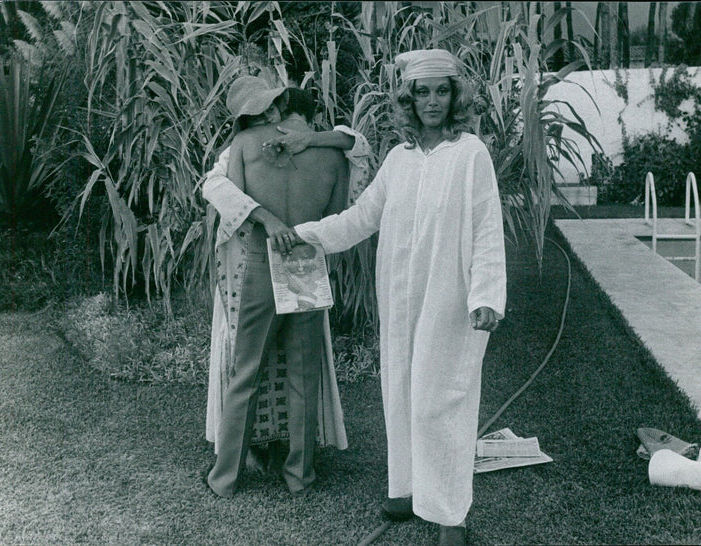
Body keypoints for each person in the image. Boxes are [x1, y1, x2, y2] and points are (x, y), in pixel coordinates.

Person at [270, 49, 506, 545]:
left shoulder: (470, 155)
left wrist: (486, 292)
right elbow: (360, 218)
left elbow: (487, 227)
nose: (433, 101)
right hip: (398, 296)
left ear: (456, 95)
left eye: (442, 90)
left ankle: (449, 516)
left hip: (451, 297)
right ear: (409, 98)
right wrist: (305, 233)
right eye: (423, 92)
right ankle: (408, 487)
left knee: (439, 400)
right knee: (399, 391)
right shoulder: (399, 161)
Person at [201, 75, 371, 497]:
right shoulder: (333, 157)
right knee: (302, 375)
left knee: (246, 373)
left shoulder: (242, 146)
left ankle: (225, 478)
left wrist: (268, 218)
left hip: (261, 261)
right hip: (308, 262)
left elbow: (229, 201)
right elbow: (336, 215)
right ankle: (300, 475)